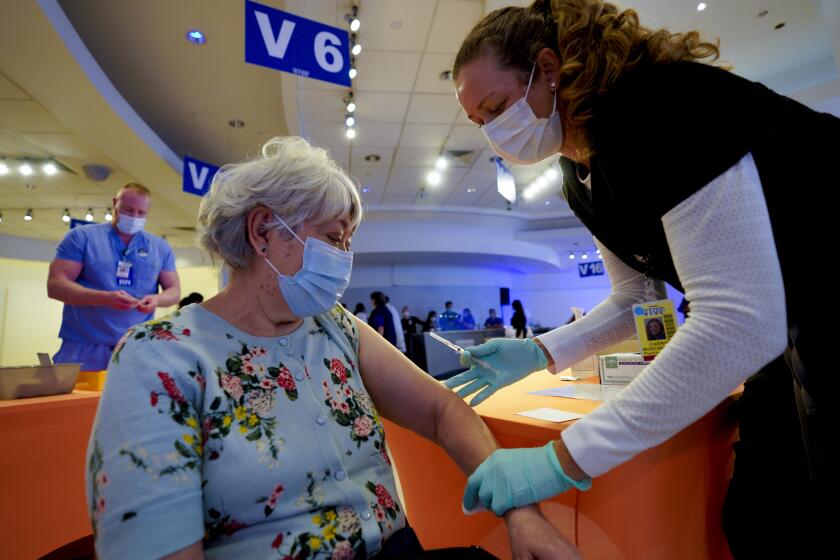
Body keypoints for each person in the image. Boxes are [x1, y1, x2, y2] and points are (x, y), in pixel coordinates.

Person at [446, 0, 835, 554]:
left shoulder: (659, 107)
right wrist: (542, 352)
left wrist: (565, 458)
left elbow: (740, 320)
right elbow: (637, 298)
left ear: (549, 69)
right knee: (762, 513)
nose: (494, 134)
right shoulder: (579, 172)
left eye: (498, 106)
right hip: (794, 321)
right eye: (480, 122)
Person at [85, 137, 573, 559]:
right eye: (333, 238)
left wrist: (520, 510)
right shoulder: (160, 356)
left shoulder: (331, 325)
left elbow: (441, 411)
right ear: (262, 233)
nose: (344, 259)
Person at [47, 182, 181, 371]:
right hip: (83, 347)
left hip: (136, 348)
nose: (134, 217)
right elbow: (56, 285)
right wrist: (104, 298)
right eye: (128, 210)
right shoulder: (82, 237)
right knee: (78, 401)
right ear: (114, 203)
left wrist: (157, 299)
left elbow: (174, 291)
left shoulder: (159, 247)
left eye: (141, 213)